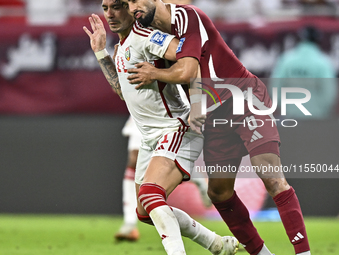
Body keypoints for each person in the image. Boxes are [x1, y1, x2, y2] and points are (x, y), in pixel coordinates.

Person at [122, 1, 311, 255]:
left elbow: (189, 68)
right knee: (219, 192)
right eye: (129, 3)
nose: (133, 7)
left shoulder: (187, 16)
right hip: (213, 117)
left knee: (271, 175)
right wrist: (104, 53)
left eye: (136, 0)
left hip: (243, 99)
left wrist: (155, 75)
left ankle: (303, 253)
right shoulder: (153, 36)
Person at [83, 1, 239, 255]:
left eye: (117, 6)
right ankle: (216, 244)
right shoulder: (122, 47)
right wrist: (101, 53)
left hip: (174, 127)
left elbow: (192, 62)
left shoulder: (148, 37)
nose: (110, 14)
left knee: (151, 194)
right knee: (145, 212)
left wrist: (197, 104)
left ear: (131, 9)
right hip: (149, 139)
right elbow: (124, 91)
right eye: (105, 7)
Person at [115, 115, 211, 242]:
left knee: (166, 158)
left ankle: (197, 179)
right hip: (140, 104)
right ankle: (130, 222)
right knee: (134, 158)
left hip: (165, 107)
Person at [271, 25, 337, 120]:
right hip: (316, 118)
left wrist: (284, 107)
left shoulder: (286, 60)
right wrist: (321, 111)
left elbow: (275, 87)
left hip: (290, 116)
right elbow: (329, 93)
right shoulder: (324, 63)